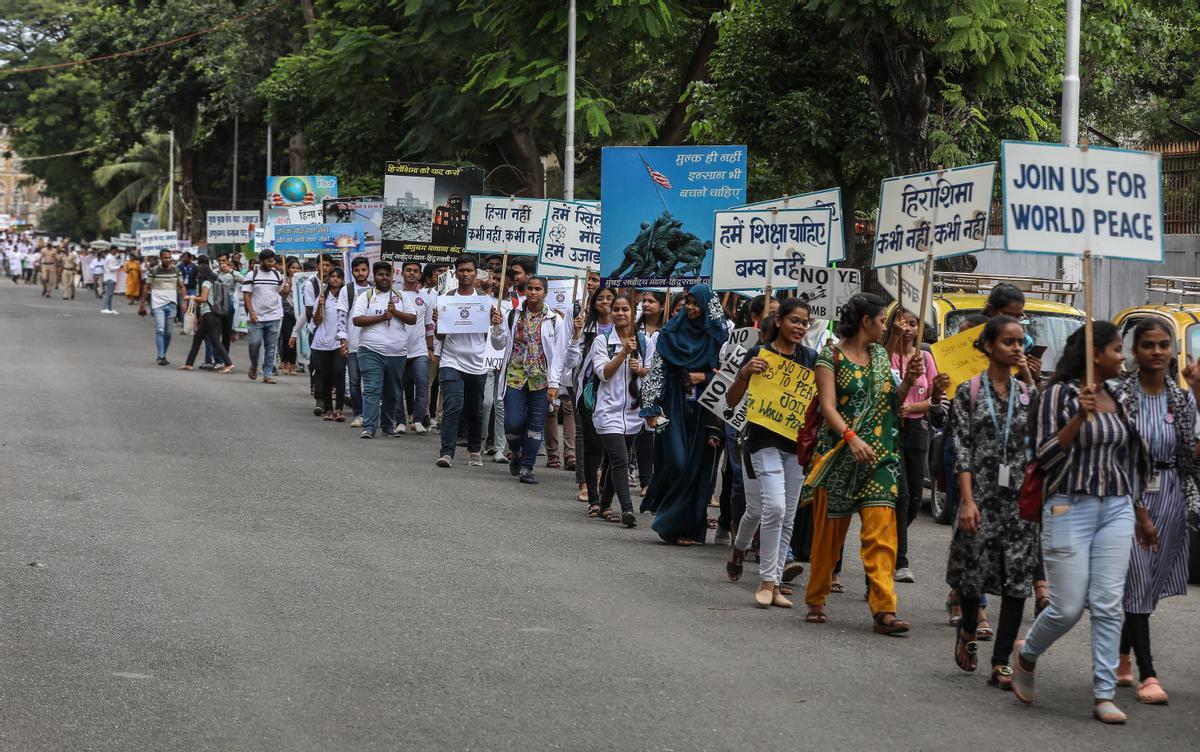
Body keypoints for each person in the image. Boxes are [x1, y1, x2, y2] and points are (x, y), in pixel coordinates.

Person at [1011, 321, 1158, 724]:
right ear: (1095, 354)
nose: (1122, 357)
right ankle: (1026, 655)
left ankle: (1103, 693)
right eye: (1116, 349)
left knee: (1109, 604)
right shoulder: (1056, 395)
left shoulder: (1117, 394)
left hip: (1116, 508)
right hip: (1067, 508)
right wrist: (1078, 419)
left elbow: (1127, 460)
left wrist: (1141, 514)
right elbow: (1043, 456)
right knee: (1067, 607)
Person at [802, 293, 918, 635]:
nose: (886, 326)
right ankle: (817, 597)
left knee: (882, 533)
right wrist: (851, 438)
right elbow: (827, 407)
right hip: (839, 456)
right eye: (882, 320)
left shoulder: (882, 355)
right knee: (828, 535)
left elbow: (892, 403)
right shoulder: (830, 357)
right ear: (866, 322)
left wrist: (909, 381)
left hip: (880, 456)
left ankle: (884, 608)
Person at [945, 316, 1039, 686]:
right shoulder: (967, 392)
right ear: (988, 346)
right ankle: (968, 628)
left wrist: (1032, 383)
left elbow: (1040, 444)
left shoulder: (1029, 394)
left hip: (1019, 502)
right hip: (980, 496)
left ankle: (1001, 661)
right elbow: (962, 450)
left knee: (1017, 580)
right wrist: (967, 502)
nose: (1017, 349)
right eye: (1008, 342)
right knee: (972, 576)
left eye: (1021, 342)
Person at [1115, 320, 1198, 705]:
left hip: (1170, 496)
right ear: (1135, 352)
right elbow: (1114, 456)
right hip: (1128, 497)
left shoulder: (1181, 401)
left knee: (1147, 586)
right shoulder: (1120, 396)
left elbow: (1190, 457)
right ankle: (1149, 673)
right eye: (1148, 345)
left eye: (1164, 345)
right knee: (1136, 578)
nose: (1157, 352)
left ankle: (1121, 655)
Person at [725, 299, 817, 607]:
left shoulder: (811, 359)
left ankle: (774, 583)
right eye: (794, 320)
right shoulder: (758, 354)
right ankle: (765, 579)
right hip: (762, 441)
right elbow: (731, 400)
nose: (799, 327)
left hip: (796, 446)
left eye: (804, 322)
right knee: (772, 507)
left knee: (786, 514)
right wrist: (745, 374)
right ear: (778, 321)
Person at [640, 284, 727, 545]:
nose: (690, 307)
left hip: (706, 411)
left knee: (698, 468)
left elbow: (729, 374)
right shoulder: (671, 332)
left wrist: (706, 376)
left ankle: (684, 528)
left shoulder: (719, 338)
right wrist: (651, 406)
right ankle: (669, 522)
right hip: (673, 405)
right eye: (688, 302)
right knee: (677, 463)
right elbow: (657, 369)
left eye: (696, 303)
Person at [884, 308, 942, 583]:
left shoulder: (925, 358)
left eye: (913, 323)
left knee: (917, 498)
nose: (908, 327)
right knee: (902, 495)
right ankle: (901, 560)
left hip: (917, 430)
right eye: (903, 322)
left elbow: (934, 400)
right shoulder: (886, 354)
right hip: (891, 430)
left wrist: (912, 406)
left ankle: (890, 537)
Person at [493, 275, 570, 484]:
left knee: (535, 426)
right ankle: (516, 451)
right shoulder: (512, 315)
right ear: (525, 290)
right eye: (530, 288)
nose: (533, 292)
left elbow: (559, 354)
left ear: (545, 293)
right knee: (513, 423)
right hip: (515, 376)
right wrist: (497, 327)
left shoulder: (555, 319)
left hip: (541, 380)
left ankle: (527, 467)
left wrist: (554, 384)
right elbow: (499, 344)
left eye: (538, 289)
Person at [589, 293, 649, 527]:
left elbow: (654, 372)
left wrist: (640, 369)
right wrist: (623, 353)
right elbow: (603, 372)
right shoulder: (601, 341)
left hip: (634, 414)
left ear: (634, 312)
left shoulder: (644, 341)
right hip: (607, 412)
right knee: (621, 459)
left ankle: (604, 505)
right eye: (616, 309)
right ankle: (627, 509)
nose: (620, 313)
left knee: (616, 462)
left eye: (625, 309)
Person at [435, 255, 501, 468]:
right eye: (461, 270)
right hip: (451, 360)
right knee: (453, 405)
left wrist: (495, 323)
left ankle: (475, 450)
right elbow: (439, 336)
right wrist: (438, 322)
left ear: (476, 273)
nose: (465, 274)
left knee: (476, 408)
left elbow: (492, 336)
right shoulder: (446, 299)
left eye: (469, 270)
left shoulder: (485, 300)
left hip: (477, 362)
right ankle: (447, 452)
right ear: (455, 273)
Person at [350, 261, 417, 439]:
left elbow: (412, 319)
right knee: (372, 388)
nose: (384, 278)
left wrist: (395, 313)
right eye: (380, 274)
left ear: (392, 277)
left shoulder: (401, 297)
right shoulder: (366, 296)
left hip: (397, 353)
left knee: (392, 391)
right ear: (375, 276)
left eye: (387, 274)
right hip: (371, 350)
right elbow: (357, 320)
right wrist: (382, 317)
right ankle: (370, 427)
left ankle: (388, 426)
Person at [570, 286, 615, 509]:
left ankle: (605, 487)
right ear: (593, 302)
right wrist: (575, 336)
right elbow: (570, 362)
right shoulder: (586, 327)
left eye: (610, 298)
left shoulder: (625, 328)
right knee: (591, 444)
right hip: (590, 391)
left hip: (616, 394)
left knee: (612, 444)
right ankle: (587, 488)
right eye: (601, 298)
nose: (605, 301)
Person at [241, 249, 291, 384]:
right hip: (256, 317)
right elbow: (247, 295)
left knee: (271, 346)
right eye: (269, 261)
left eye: (273, 261)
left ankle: (267, 373)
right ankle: (254, 365)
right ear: (261, 261)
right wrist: (251, 312)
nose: (272, 263)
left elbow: (282, 294)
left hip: (274, 315)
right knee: (254, 343)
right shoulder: (252, 275)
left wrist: (286, 290)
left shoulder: (277, 275)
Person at [633, 290, 666, 497]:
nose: (646, 304)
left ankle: (658, 480)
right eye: (644, 300)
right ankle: (645, 480)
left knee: (659, 435)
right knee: (643, 435)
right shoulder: (634, 331)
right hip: (635, 389)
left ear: (662, 306)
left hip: (661, 390)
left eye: (651, 301)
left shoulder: (668, 332)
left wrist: (644, 371)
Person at [397, 261, 435, 433]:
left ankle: (418, 419)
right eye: (408, 270)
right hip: (397, 349)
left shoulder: (426, 298)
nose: (412, 273)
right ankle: (400, 421)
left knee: (422, 383)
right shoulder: (394, 295)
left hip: (419, 349)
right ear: (402, 273)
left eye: (415, 271)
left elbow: (429, 325)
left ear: (420, 275)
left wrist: (430, 348)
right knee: (398, 386)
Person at [179, 262, 235, 373]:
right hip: (212, 314)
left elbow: (204, 298)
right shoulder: (215, 281)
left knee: (214, 340)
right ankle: (189, 363)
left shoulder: (206, 283)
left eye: (198, 272)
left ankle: (228, 363)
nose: (197, 275)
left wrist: (190, 297)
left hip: (209, 314)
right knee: (198, 338)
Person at [310, 267, 350, 422]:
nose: (335, 279)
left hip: (339, 342)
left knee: (339, 373)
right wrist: (320, 306)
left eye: (338, 277)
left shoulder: (345, 297)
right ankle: (328, 408)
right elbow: (316, 321)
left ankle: (339, 409)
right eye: (332, 276)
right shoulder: (322, 296)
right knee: (325, 376)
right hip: (322, 342)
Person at [137, 249, 187, 366]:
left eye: (169, 257)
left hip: (172, 304)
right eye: (165, 257)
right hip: (158, 304)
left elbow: (182, 287)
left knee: (168, 332)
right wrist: (142, 305)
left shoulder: (176, 270)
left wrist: (184, 302)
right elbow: (146, 287)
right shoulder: (154, 270)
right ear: (161, 258)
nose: (168, 259)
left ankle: (163, 353)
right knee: (160, 329)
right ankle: (161, 355)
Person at [345, 256, 373, 427]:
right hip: (353, 343)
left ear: (368, 270)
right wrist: (343, 340)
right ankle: (359, 414)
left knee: (370, 382)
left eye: (363, 269)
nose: (360, 273)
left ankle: (371, 414)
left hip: (371, 344)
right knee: (355, 381)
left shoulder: (376, 289)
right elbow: (342, 317)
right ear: (352, 271)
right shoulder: (346, 290)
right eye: (357, 270)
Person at [278, 257, 302, 376]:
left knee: (296, 337)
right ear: (288, 269)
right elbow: (280, 296)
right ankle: (285, 362)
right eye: (293, 268)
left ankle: (293, 364)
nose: (295, 270)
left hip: (299, 314)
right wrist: (285, 290)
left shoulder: (303, 281)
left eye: (298, 268)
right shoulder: (283, 280)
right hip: (286, 312)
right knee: (287, 336)